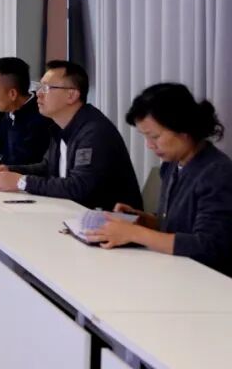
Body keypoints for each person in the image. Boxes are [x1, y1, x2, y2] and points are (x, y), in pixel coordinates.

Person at [90, 83, 232, 276]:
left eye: (154, 136)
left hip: (207, 279)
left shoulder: (217, 173)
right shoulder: (172, 165)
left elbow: (208, 246)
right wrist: (140, 219)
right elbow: (173, 225)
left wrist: (134, 233)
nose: (149, 145)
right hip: (174, 270)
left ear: (184, 128)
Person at [0, 61, 143, 210]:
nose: (38, 94)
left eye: (46, 88)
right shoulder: (60, 126)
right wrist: (10, 170)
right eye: (40, 87)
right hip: (71, 213)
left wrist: (21, 182)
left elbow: (79, 187)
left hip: (107, 220)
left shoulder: (94, 131)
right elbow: (47, 167)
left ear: (71, 95)